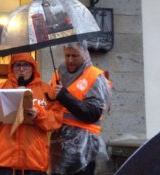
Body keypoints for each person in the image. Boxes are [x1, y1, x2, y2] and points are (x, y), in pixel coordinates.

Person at [0, 52, 63, 175]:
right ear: (11, 68)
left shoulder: (46, 90)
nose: (21, 69)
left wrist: (38, 113)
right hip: (3, 161)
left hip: (34, 162)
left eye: (26, 65)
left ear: (33, 67)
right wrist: (10, 102)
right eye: (17, 65)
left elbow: (56, 120)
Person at [49, 40, 112, 175]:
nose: (70, 60)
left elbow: (92, 113)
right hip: (59, 143)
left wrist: (64, 96)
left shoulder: (94, 76)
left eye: (75, 56)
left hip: (84, 145)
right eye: (67, 55)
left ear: (84, 54)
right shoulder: (58, 73)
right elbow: (49, 102)